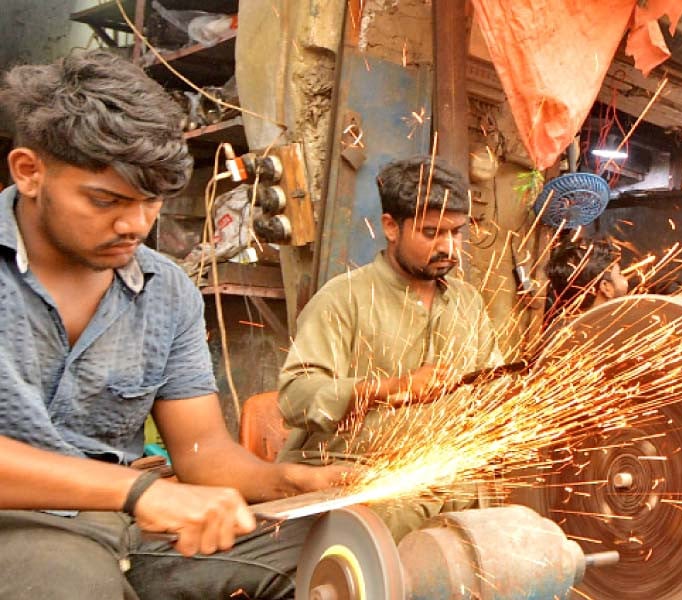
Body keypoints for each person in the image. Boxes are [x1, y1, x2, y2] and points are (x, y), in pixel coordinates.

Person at [0, 49, 346, 600]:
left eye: (151, 202)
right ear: (30, 171)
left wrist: (288, 480)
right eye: (106, 200)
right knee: (69, 583)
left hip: (124, 527)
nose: (134, 224)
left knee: (324, 551)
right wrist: (137, 490)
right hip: (18, 525)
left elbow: (202, 451)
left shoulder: (167, 292)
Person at [278, 155, 503, 540]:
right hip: (361, 479)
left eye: (456, 232)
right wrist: (389, 388)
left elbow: (492, 388)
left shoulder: (467, 302)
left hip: (444, 479)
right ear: (390, 227)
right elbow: (294, 396)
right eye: (432, 232)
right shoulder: (343, 298)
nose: (449, 248)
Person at [545, 236, 630, 319]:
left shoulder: (563, 328)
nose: (625, 279)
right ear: (606, 287)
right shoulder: (619, 328)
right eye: (619, 274)